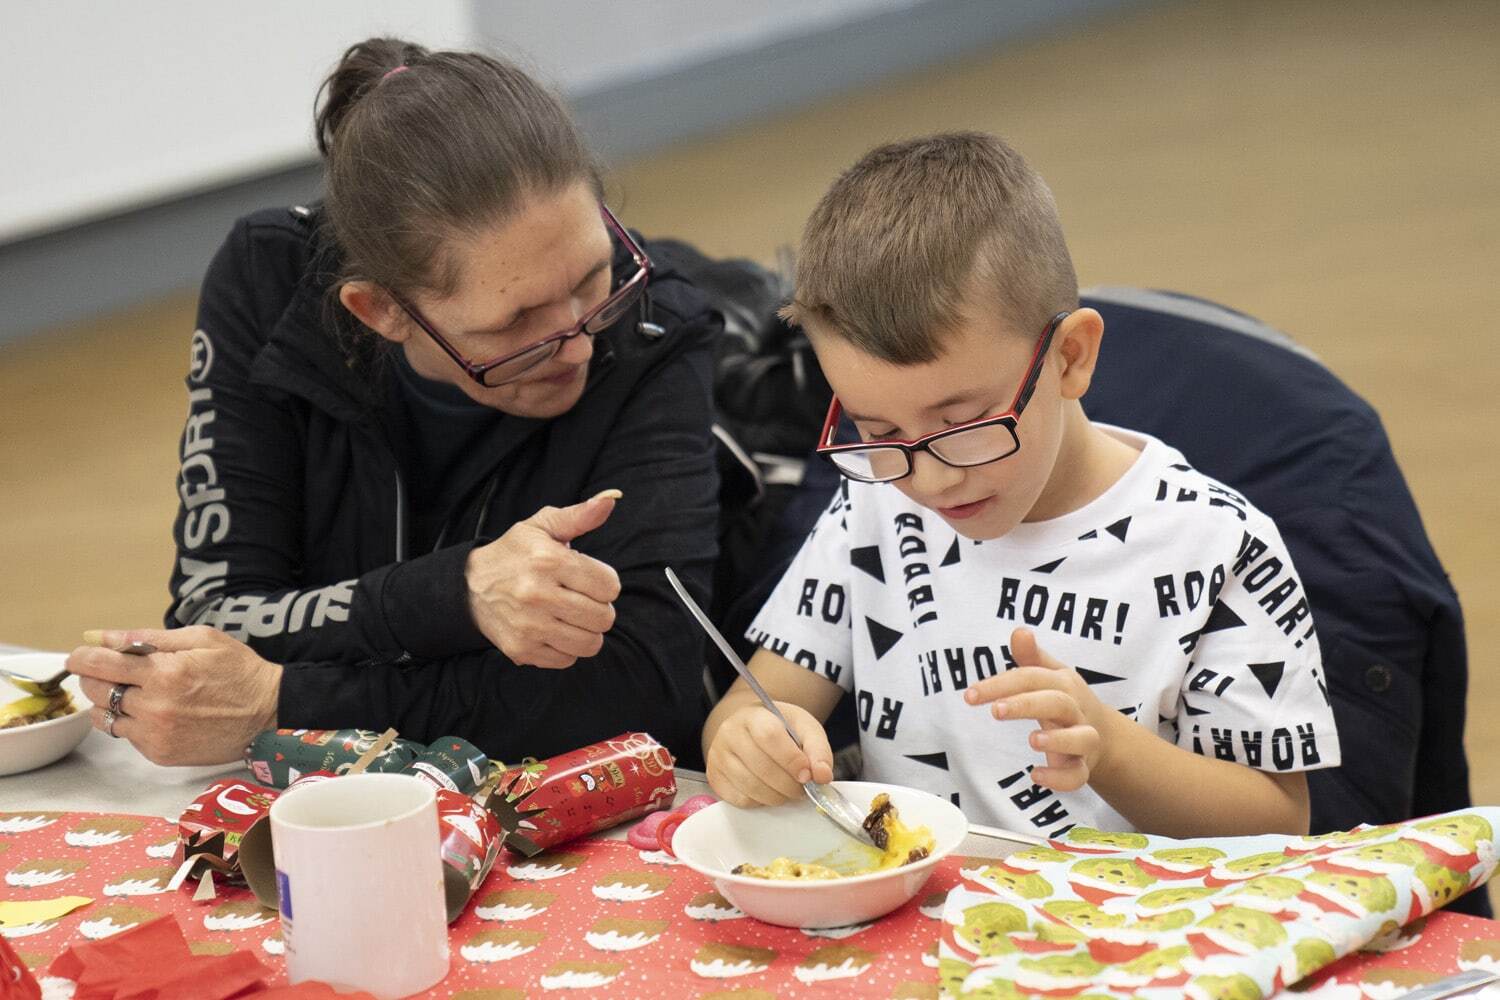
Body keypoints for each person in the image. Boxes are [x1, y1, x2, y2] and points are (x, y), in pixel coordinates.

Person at [66, 38, 721, 767]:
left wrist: (283, 701)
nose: (579, 347)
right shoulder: (268, 275)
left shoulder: (658, 331)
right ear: (379, 311)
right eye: (513, 325)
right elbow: (217, 621)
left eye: (596, 277)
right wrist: (458, 593)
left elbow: (644, 687)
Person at [702, 133, 1340, 837]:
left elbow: (1280, 824)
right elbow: (751, 703)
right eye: (877, 431)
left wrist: (1110, 747)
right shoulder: (872, 504)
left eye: (964, 421)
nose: (929, 477)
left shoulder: (1216, 545)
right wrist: (748, 741)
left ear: (1071, 357)